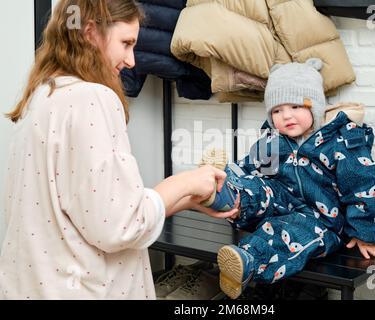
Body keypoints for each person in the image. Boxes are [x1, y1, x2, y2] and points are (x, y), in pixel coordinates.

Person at [0, 0, 237, 300]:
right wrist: (187, 182)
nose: (131, 61)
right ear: (90, 33)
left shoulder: (43, 97)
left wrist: (184, 200)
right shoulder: (92, 98)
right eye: (126, 43)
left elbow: (93, 209)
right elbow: (121, 225)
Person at [203, 59, 375, 299]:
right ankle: (224, 189)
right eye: (277, 110)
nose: (286, 116)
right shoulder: (273, 140)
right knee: (257, 186)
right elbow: (252, 167)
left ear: (315, 107)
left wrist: (366, 234)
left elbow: (364, 185)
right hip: (279, 203)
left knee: (287, 230)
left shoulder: (340, 140)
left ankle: (248, 260)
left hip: (321, 220)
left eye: (295, 106)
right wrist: (237, 176)